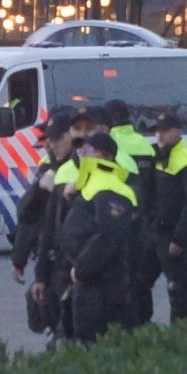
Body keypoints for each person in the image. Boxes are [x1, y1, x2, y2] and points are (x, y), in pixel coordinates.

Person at [60, 131, 140, 344]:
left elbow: (108, 235)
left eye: (87, 150)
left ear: (105, 156)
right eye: (80, 149)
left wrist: (82, 269)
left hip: (103, 287)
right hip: (91, 284)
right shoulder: (91, 183)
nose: (81, 154)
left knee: (94, 347)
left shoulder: (110, 186)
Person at [12, 107, 85, 338]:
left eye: (56, 139)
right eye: (48, 140)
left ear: (70, 137)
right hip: (50, 253)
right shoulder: (48, 166)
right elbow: (27, 215)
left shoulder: (80, 166)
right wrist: (19, 259)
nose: (50, 145)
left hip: (72, 257)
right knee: (47, 308)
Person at [147, 110, 187, 322]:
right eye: (157, 131)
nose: (160, 135)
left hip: (173, 236)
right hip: (155, 233)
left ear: (178, 132)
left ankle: (183, 338)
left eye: (166, 131)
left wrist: (180, 239)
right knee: (139, 283)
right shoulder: (157, 157)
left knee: (179, 291)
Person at [105, 101, 159, 325]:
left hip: (122, 217)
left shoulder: (112, 145)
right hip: (145, 218)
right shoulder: (144, 144)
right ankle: (144, 322)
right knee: (141, 278)